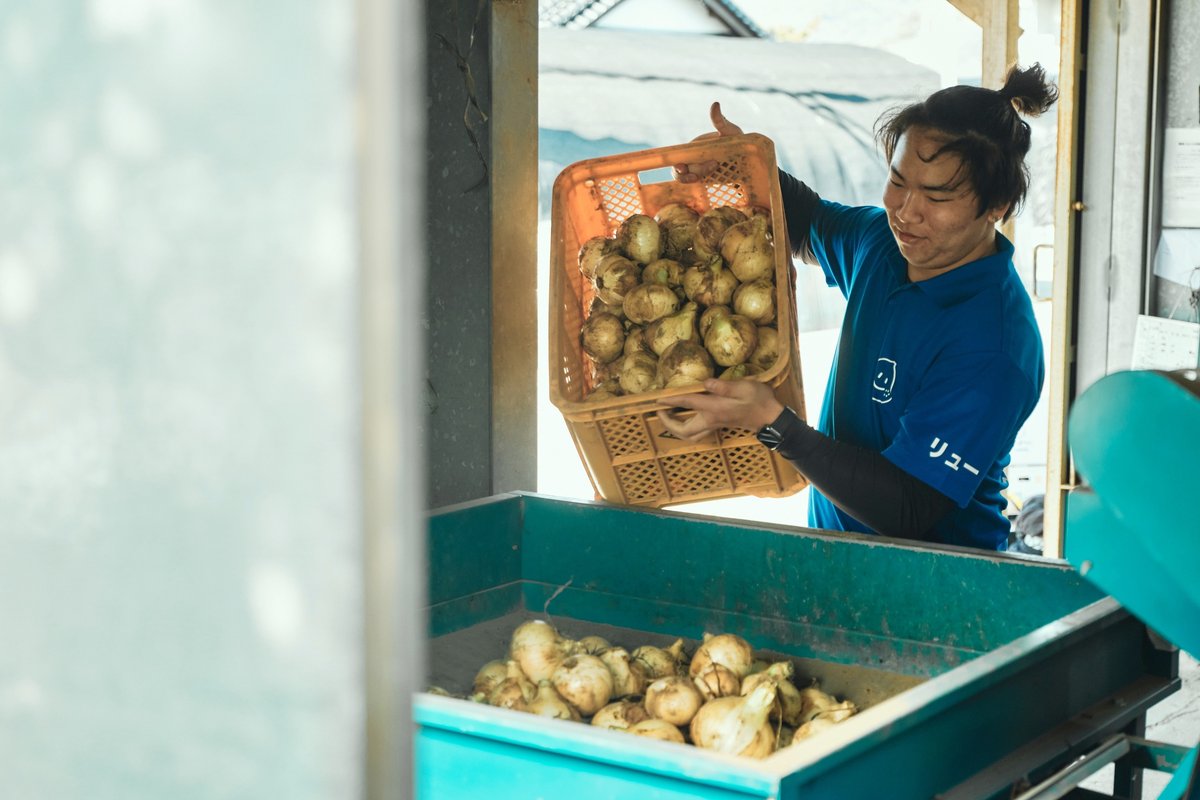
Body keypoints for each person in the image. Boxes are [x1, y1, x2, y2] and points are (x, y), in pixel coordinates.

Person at [659, 64, 1058, 551]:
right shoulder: (883, 246)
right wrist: (745, 164)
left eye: (936, 196)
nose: (907, 211)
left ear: (997, 205)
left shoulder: (993, 346)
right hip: (835, 559)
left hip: (937, 590)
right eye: (897, 181)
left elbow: (910, 507)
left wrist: (775, 425)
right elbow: (808, 225)